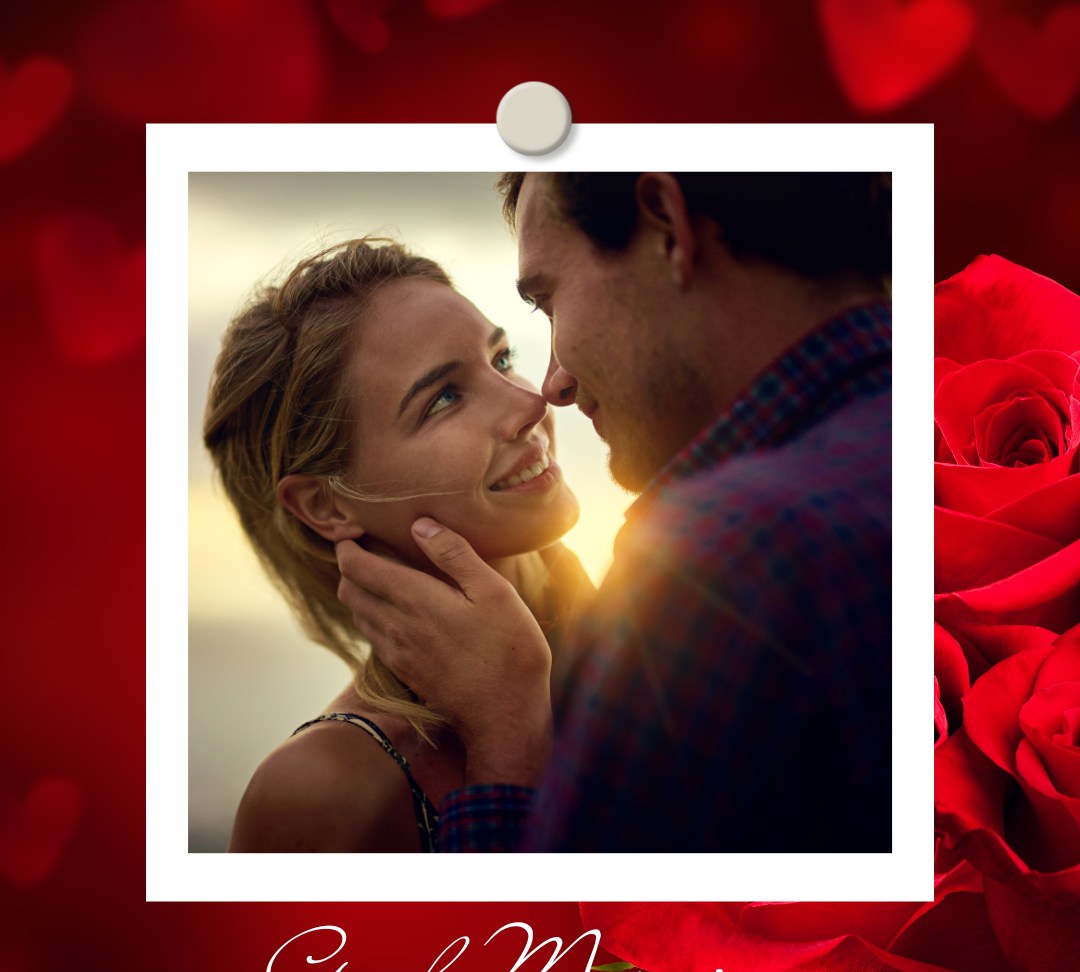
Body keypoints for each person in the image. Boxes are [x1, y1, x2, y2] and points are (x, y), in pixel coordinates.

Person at [336, 172, 893, 853]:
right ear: (320, 502)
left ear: (667, 226)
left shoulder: (732, 555)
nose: (549, 389)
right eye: (445, 397)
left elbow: (569, 957)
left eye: (547, 300)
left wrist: (507, 737)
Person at [202, 237, 591, 853]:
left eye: (501, 358)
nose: (529, 401)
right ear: (325, 505)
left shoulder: (653, 641)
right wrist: (505, 734)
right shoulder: (321, 790)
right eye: (443, 397)